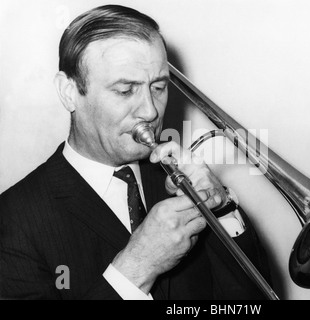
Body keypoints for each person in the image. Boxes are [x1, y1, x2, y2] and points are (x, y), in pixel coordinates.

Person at [0, 5, 271, 300]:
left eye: (158, 87)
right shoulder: (13, 219)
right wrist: (137, 268)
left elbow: (250, 300)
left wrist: (221, 209)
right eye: (125, 90)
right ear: (69, 92)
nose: (151, 111)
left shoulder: (178, 182)